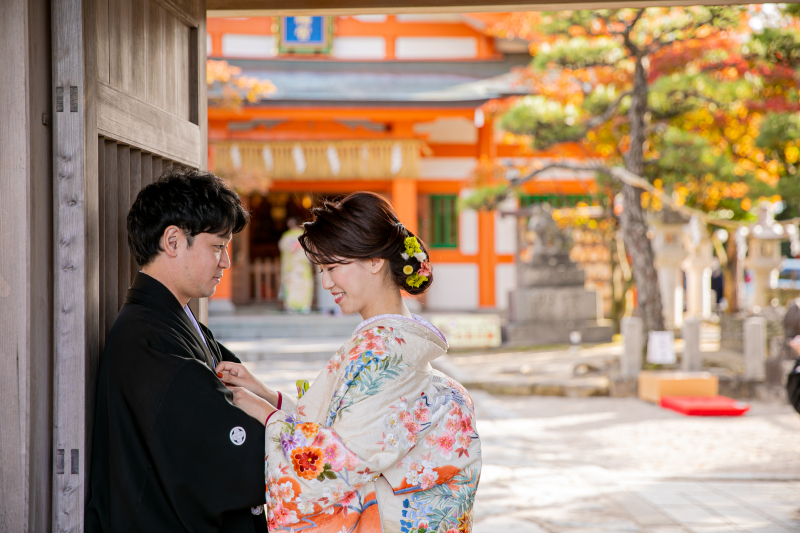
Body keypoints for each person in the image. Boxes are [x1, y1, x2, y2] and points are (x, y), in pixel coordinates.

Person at [216, 192, 481, 532]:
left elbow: (338, 462)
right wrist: (271, 397)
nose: (325, 282)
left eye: (333, 267)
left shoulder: (381, 350)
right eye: (321, 270)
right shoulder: (391, 343)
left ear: (374, 260)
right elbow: (355, 426)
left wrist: (269, 418)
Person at [85, 168, 268, 533]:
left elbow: (237, 390)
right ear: (172, 241)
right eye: (217, 246)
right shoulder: (147, 339)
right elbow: (224, 448)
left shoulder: (170, 321)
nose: (226, 262)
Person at [279, 217, 314, 313]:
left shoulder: (286, 236)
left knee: (292, 286)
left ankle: (291, 307)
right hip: (302, 266)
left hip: (290, 267)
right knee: (303, 285)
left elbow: (282, 247)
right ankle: (305, 306)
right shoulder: (305, 236)